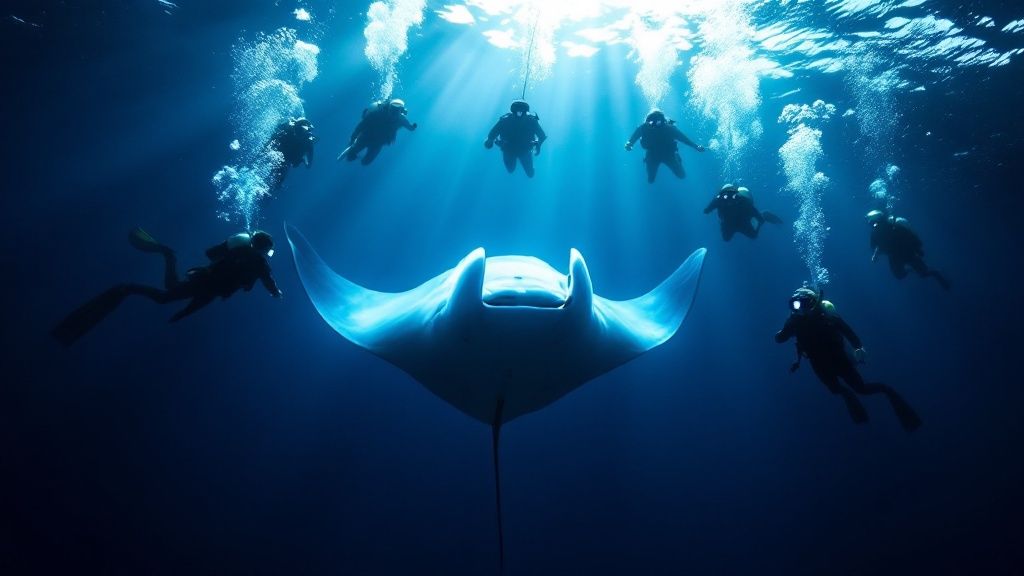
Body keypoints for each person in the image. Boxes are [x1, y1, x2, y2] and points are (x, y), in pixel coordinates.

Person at [52, 228, 283, 346]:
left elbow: (211, 254)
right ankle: (137, 280)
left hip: (206, 284)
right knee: (165, 295)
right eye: (268, 251)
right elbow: (268, 281)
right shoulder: (260, 263)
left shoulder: (243, 252)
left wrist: (184, 313)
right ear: (263, 249)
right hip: (206, 285)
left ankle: (165, 258)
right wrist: (276, 293)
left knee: (170, 294)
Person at [774, 286, 922, 432]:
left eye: (803, 303)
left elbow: (847, 331)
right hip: (818, 363)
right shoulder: (794, 321)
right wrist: (784, 330)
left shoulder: (827, 316)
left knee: (861, 389)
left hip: (838, 358)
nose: (800, 308)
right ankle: (850, 397)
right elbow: (781, 339)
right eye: (796, 304)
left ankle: (887, 391)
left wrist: (858, 347)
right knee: (835, 389)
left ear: (813, 302)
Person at [866, 210, 950, 290]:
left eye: (873, 223)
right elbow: (876, 246)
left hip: (906, 252)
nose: (874, 226)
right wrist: (875, 254)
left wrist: (918, 249)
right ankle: (914, 269)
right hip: (896, 255)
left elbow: (911, 237)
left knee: (923, 272)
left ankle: (936, 273)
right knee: (900, 275)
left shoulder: (894, 227)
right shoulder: (877, 232)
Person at [624, 109, 706, 183]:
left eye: (658, 122)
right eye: (652, 123)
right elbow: (632, 140)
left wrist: (696, 146)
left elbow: (684, 139)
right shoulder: (643, 128)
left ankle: (676, 156)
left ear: (663, 121)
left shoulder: (669, 129)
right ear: (648, 121)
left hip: (668, 154)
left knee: (681, 175)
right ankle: (676, 156)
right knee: (650, 180)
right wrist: (629, 144)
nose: (655, 126)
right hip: (652, 155)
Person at [338, 98, 417, 165]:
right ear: (389, 108)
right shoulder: (377, 114)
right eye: (393, 110)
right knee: (350, 158)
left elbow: (410, 127)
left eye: (397, 111)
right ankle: (351, 150)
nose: (394, 113)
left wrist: (413, 127)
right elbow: (361, 126)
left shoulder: (401, 119)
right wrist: (352, 138)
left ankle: (353, 151)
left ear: (401, 111)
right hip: (366, 138)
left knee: (365, 162)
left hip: (377, 143)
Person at [484, 100, 548, 178]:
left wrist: (538, 145)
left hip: (522, 151)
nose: (519, 113)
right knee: (511, 170)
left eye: (522, 111)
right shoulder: (505, 120)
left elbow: (542, 136)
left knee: (530, 174)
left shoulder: (531, 120)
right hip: (511, 150)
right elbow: (491, 135)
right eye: (517, 111)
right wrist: (538, 146)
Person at [703, 184, 783, 241]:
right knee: (726, 238)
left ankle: (764, 214)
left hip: (741, 220)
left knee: (753, 235)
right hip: (729, 223)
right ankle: (763, 216)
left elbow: (752, 210)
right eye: (726, 196)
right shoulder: (719, 200)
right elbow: (710, 207)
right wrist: (707, 210)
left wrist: (760, 218)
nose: (728, 198)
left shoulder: (740, 199)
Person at [268, 117, 317, 189]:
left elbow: (309, 163)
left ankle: (276, 186)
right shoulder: (287, 128)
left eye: (301, 132)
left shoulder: (308, 141)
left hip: (291, 157)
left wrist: (304, 160)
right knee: (276, 167)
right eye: (298, 130)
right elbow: (272, 140)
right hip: (281, 151)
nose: (299, 134)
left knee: (281, 172)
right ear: (295, 127)